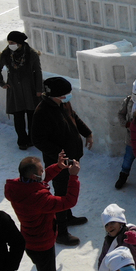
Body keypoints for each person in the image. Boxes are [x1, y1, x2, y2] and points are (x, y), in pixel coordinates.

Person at [4, 155, 79, 271]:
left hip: (30, 240)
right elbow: (69, 201)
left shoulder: (19, 186)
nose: (43, 172)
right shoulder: (37, 198)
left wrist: (58, 167)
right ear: (32, 176)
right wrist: (73, 177)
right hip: (42, 243)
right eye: (40, 170)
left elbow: (42, 180)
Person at [31, 76, 92, 244]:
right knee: (60, 193)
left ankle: (68, 216)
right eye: (66, 94)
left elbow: (74, 117)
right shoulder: (42, 111)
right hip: (58, 162)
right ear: (56, 95)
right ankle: (61, 231)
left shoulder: (63, 104)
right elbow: (38, 139)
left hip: (72, 158)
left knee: (67, 189)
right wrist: (60, 155)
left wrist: (87, 133)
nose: (69, 96)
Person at [0, 31, 43, 150]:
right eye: (9, 43)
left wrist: (39, 89)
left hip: (30, 89)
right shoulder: (6, 54)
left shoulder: (31, 54)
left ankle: (32, 139)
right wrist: (2, 83)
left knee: (32, 116)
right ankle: (22, 140)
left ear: (20, 43)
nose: (10, 45)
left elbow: (38, 72)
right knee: (18, 117)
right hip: (15, 91)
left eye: (13, 43)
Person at [98, 203, 136, 271]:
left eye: (112, 222)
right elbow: (103, 259)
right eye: (107, 225)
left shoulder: (130, 234)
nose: (110, 227)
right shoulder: (108, 241)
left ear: (121, 222)